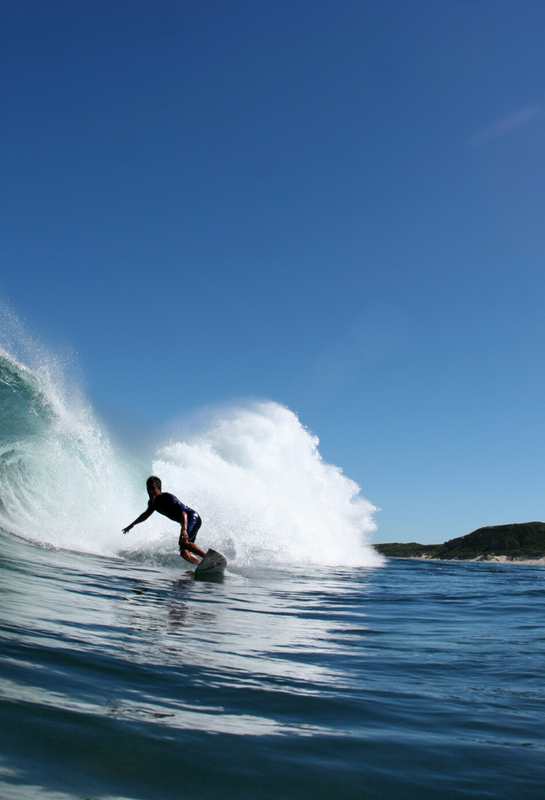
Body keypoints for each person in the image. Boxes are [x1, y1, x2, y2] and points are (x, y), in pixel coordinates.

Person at [122, 476, 206, 565]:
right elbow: (145, 515)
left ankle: (209, 557)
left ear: (159, 489)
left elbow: (183, 513)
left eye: (153, 488)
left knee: (183, 542)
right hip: (186, 523)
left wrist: (184, 530)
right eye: (148, 488)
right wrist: (132, 525)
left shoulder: (167, 498)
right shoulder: (152, 503)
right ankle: (203, 565)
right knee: (184, 553)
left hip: (193, 519)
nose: (150, 491)